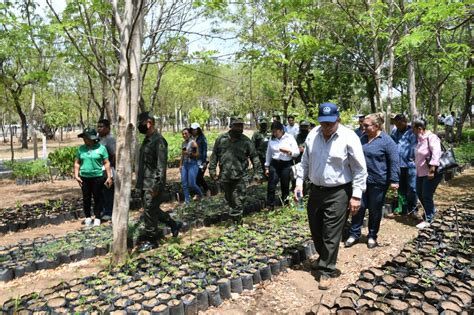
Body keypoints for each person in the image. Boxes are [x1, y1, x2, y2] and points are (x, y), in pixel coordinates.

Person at [294, 102, 367, 290]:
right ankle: (323, 257)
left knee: (331, 233)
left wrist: (356, 196)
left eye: (330, 123)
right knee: (316, 228)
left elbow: (359, 170)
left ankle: (327, 270)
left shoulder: (349, 137)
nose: (326, 127)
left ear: (338, 120)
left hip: (339, 192)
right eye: (323, 123)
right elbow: (304, 163)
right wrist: (299, 183)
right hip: (316, 190)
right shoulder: (313, 135)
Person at [345, 113, 399, 249]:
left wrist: (394, 180)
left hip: (378, 182)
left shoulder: (387, 141)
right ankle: (354, 234)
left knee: (375, 210)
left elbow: (394, 161)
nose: (363, 128)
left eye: (366, 125)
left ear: (376, 126)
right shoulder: (362, 139)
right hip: (361, 181)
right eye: (363, 125)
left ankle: (372, 236)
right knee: (358, 207)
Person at [136, 112, 182, 248]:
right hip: (144, 182)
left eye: (141, 123)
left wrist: (156, 186)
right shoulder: (146, 140)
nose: (140, 126)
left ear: (149, 123)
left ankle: (152, 240)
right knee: (152, 210)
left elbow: (161, 167)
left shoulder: (159, 141)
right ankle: (173, 224)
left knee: (150, 211)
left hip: (152, 184)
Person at [209, 117, 262, 217]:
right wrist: (212, 170)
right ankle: (236, 217)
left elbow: (254, 157)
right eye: (237, 125)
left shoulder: (246, 142)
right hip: (225, 175)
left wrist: (258, 173)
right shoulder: (221, 140)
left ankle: (237, 224)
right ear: (231, 126)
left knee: (238, 200)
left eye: (241, 126)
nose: (239, 128)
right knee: (229, 198)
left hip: (241, 177)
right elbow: (214, 156)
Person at [74, 128, 113, 227]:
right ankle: (87, 217)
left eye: (86, 137)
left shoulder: (101, 148)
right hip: (84, 177)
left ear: (92, 138)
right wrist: (76, 175)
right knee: (86, 198)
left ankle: (97, 217)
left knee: (98, 197)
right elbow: (77, 163)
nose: (84, 139)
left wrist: (109, 176)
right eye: (83, 137)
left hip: (98, 177)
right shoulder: (81, 149)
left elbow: (106, 163)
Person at [412, 118, 443, 229]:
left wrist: (432, 170)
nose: (412, 131)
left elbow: (436, 153)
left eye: (413, 128)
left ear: (419, 129)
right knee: (420, 193)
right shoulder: (420, 139)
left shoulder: (431, 137)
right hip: (420, 172)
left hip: (430, 173)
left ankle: (429, 219)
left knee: (426, 195)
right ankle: (431, 211)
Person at [265, 121, 299, 210]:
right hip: (275, 163)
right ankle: (270, 204)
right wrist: (267, 166)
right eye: (273, 132)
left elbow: (297, 152)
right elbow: (268, 153)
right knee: (271, 184)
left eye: (276, 132)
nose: (274, 134)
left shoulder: (289, 138)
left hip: (286, 164)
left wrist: (288, 152)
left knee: (285, 184)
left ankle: (285, 203)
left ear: (281, 130)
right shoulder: (271, 139)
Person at [391, 114, 418, 217]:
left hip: (410, 165)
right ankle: (403, 208)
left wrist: (412, 158)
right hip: (398, 165)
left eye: (399, 124)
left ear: (405, 122)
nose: (397, 126)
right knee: (401, 188)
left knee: (412, 188)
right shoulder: (394, 132)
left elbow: (415, 147)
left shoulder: (412, 132)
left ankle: (413, 209)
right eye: (396, 124)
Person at [97, 119, 116, 221]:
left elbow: (114, 155)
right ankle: (102, 211)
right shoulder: (97, 139)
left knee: (108, 191)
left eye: (101, 127)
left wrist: (108, 167)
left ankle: (109, 212)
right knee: (100, 193)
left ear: (108, 128)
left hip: (108, 170)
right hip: (97, 170)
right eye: (98, 126)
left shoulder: (110, 140)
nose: (99, 129)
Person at [179, 128, 204, 204]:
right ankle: (187, 201)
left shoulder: (193, 143)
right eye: (183, 134)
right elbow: (182, 155)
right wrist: (180, 165)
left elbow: (197, 154)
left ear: (189, 134)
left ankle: (201, 194)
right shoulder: (183, 143)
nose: (184, 135)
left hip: (192, 164)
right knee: (184, 184)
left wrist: (189, 153)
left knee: (192, 183)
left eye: (186, 133)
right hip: (185, 165)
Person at [190, 123, 210, 197]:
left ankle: (204, 191)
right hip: (194, 161)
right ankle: (203, 191)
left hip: (201, 161)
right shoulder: (191, 138)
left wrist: (204, 161)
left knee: (199, 177)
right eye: (192, 129)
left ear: (198, 129)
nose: (193, 131)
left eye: (195, 129)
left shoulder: (202, 138)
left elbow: (204, 150)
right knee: (196, 177)